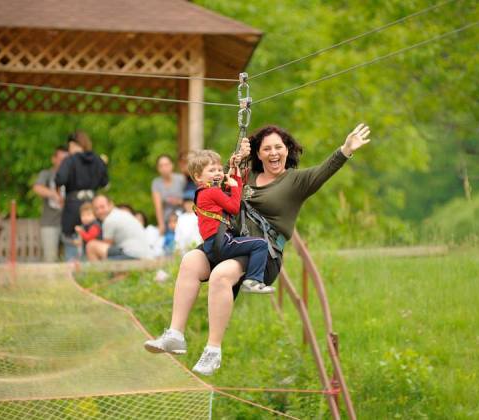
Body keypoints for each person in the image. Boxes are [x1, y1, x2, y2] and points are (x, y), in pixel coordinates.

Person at [144, 123, 371, 376]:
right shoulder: (247, 175)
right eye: (266, 149)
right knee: (190, 261)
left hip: (261, 254)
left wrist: (345, 150)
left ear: (287, 150)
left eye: (278, 147)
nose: (273, 153)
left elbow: (324, 170)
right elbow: (222, 181)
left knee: (221, 275)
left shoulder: (296, 181)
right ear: (259, 154)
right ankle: (175, 334)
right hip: (229, 241)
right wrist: (238, 157)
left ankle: (213, 350)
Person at [187, 149, 273, 293]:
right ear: (198, 176)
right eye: (212, 170)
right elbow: (234, 207)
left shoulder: (203, 193)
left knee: (248, 243)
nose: (218, 173)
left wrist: (235, 173)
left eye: (220, 169)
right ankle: (253, 280)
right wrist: (235, 185)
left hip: (212, 244)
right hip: (222, 242)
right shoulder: (212, 192)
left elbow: (226, 195)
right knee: (260, 244)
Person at [55, 131, 108, 261]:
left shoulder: (70, 160)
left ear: (73, 144)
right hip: (92, 206)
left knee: (72, 242)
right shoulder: (98, 160)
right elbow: (105, 182)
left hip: (73, 207)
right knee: (93, 238)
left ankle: (72, 277)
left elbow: (60, 179)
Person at [86, 195, 153, 261]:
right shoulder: (122, 214)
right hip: (146, 255)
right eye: (96, 209)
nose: (99, 211)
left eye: (102, 207)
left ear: (111, 205)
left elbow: (106, 246)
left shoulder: (110, 220)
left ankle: (97, 271)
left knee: (91, 246)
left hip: (134, 256)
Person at [32, 145, 69, 262]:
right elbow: (37, 187)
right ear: (54, 159)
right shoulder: (47, 174)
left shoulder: (73, 175)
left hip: (69, 223)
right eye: (61, 159)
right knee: (50, 258)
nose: (64, 162)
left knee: (71, 259)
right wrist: (53, 194)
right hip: (50, 223)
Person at [152, 154, 186, 235]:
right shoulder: (156, 183)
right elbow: (158, 206)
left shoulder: (181, 179)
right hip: (167, 220)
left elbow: (190, 199)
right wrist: (161, 224)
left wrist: (178, 202)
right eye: (161, 166)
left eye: (166, 165)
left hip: (183, 216)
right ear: (158, 168)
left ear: (172, 165)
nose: (164, 168)